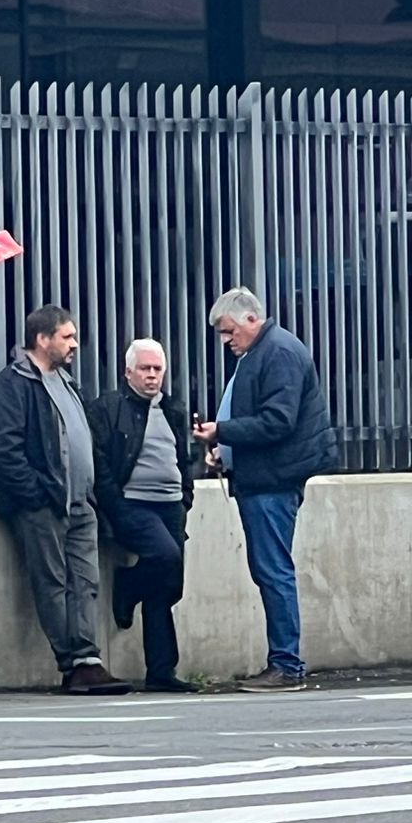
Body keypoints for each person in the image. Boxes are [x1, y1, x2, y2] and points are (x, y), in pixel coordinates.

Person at [193, 287, 338, 693]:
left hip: (273, 480)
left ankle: (286, 664)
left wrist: (222, 431)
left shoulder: (278, 354)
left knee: (273, 570)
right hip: (263, 477)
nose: (226, 341)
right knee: (270, 569)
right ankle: (284, 661)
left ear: (250, 320)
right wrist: (225, 450)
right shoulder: (266, 352)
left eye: (228, 332)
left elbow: (277, 421)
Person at [0, 306, 129, 696]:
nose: (74, 345)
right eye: (66, 337)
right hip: (46, 504)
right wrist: (35, 495)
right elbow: (5, 448)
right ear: (42, 338)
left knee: (86, 580)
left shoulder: (66, 383)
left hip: (81, 501)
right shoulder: (14, 385)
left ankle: (88, 659)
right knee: (52, 582)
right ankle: (73, 662)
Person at [90, 338, 198, 694]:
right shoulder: (109, 407)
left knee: (168, 585)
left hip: (170, 506)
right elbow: (100, 463)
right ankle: (127, 585)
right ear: (128, 372)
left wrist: (185, 498)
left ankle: (162, 671)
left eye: (157, 370)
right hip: (133, 504)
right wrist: (116, 506)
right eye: (145, 369)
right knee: (164, 557)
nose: (152, 376)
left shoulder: (173, 410)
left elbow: (183, 460)